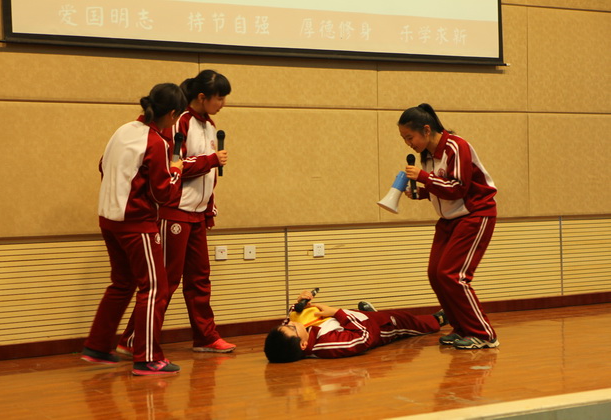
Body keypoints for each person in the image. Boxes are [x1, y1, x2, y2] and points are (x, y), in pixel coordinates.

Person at [117, 69, 235, 355]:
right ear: (202, 97)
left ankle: (205, 337)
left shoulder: (210, 125)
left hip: (197, 213)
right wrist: (210, 160)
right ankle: (132, 339)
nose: (223, 103)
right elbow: (174, 165)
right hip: (174, 211)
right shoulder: (179, 121)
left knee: (200, 279)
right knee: (166, 281)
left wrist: (208, 208)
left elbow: (207, 175)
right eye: (219, 98)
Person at [81, 83, 187, 375]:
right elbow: (163, 194)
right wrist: (176, 171)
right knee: (154, 287)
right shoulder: (156, 142)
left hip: (109, 218)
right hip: (136, 223)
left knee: (122, 283)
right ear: (172, 114)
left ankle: (98, 346)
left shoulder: (123, 130)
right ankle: (147, 357)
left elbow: (102, 165)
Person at [398, 103, 499, 350]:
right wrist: (422, 193)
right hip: (450, 219)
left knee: (454, 275)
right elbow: (442, 186)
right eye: (404, 139)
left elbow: (458, 188)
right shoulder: (427, 155)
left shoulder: (456, 146)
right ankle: (461, 328)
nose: (408, 144)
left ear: (426, 129)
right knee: (436, 274)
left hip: (475, 215)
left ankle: (484, 334)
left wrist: (423, 178)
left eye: (410, 137)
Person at [264, 290, 446, 362]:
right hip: (379, 328)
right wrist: (337, 312)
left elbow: (290, 319)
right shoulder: (327, 344)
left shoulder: (300, 331)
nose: (291, 323)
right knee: (406, 320)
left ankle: (371, 312)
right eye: (292, 328)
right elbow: (363, 338)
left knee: (393, 315)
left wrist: (299, 304)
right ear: (303, 345)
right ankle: (437, 320)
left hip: (357, 318)